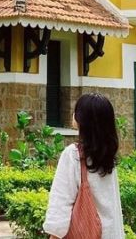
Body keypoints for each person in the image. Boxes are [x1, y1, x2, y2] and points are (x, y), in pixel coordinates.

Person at [43, 93, 124, 239]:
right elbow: (114, 205)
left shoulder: (73, 154)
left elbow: (61, 202)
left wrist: (54, 234)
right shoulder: (108, 156)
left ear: (83, 120)